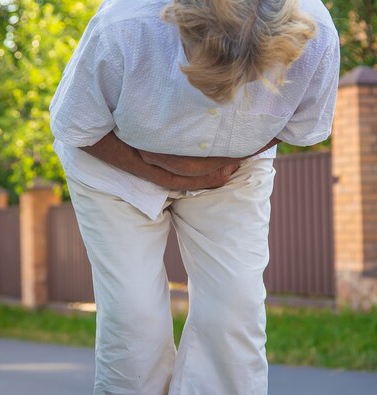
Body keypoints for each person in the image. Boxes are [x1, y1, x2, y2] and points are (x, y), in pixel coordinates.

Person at [48, 0, 340, 393]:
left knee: (236, 313)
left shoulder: (316, 34)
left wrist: (210, 168)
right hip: (114, 168)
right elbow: (76, 126)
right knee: (135, 325)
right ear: (183, 24)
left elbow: (297, 125)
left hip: (232, 171)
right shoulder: (124, 26)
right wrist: (165, 168)